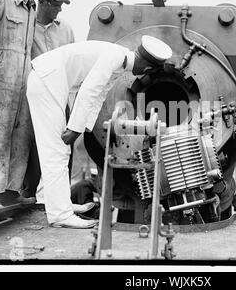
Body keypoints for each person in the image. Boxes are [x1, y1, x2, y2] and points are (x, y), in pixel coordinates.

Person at [26, 36, 173, 228]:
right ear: (146, 68)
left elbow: (100, 94)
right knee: (56, 150)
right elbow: (89, 91)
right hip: (48, 80)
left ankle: (56, 203)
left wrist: (85, 128)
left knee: (60, 151)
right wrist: (74, 129)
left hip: (51, 80)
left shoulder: (118, 60)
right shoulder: (114, 57)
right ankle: (60, 214)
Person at [0, 0, 40, 211]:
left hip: (24, 75)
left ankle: (11, 191)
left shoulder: (32, 8)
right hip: (1, 73)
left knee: (21, 134)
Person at [22, 0, 75, 203]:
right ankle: (28, 194)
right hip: (37, 95)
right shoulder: (27, 26)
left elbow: (72, 62)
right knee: (33, 146)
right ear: (42, 1)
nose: (60, 8)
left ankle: (63, 198)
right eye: (56, 4)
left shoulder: (66, 29)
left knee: (65, 146)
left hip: (61, 95)